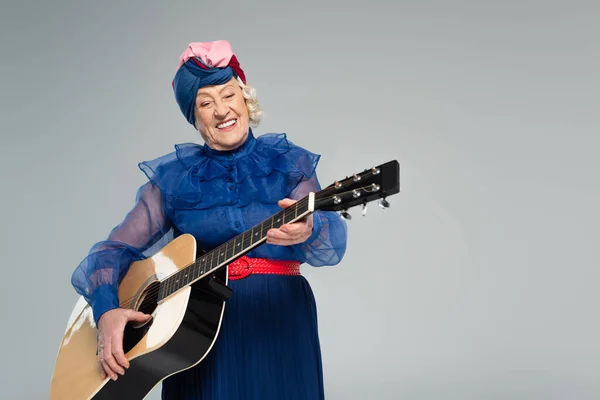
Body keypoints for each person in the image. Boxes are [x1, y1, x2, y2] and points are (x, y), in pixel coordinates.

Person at [70, 40, 348, 399]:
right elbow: (111, 251)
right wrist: (107, 308)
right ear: (194, 116)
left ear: (245, 100)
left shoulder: (288, 163)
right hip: (195, 334)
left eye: (229, 95)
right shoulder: (173, 180)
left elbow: (334, 240)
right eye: (205, 102)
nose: (221, 111)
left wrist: (311, 230)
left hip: (280, 318)